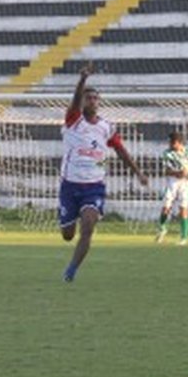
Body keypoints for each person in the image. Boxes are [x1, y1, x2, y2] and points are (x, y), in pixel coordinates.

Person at [59, 63, 148, 282]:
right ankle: (67, 217)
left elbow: (120, 150)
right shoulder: (73, 120)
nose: (93, 102)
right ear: (82, 102)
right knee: (67, 235)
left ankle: (71, 270)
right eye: (88, 98)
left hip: (94, 185)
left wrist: (138, 173)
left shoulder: (106, 127)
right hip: (69, 185)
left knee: (88, 226)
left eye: (96, 99)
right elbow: (73, 103)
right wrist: (82, 80)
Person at [156, 131, 188, 246]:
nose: (170, 144)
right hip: (172, 182)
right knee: (166, 207)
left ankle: (184, 237)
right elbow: (166, 170)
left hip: (185, 184)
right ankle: (162, 228)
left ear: (179, 143)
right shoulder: (167, 154)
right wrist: (178, 172)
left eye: (172, 142)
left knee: (183, 209)